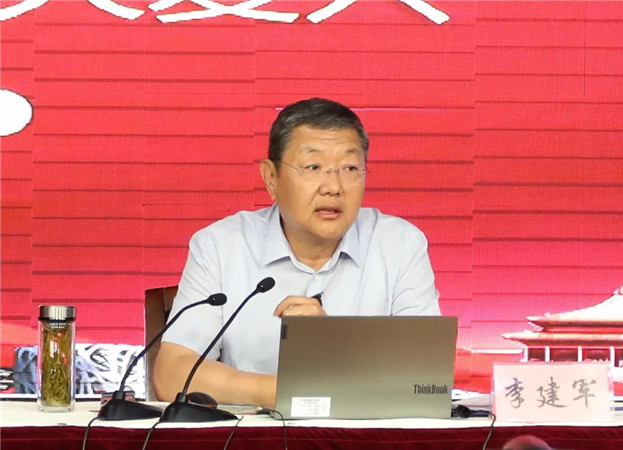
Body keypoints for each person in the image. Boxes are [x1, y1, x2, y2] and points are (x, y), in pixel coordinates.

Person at [153, 98, 440, 408]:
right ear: (271, 177)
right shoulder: (221, 246)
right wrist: (287, 392)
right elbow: (172, 375)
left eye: (350, 168)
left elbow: (426, 382)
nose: (333, 187)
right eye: (313, 167)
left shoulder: (400, 245)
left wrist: (336, 344)